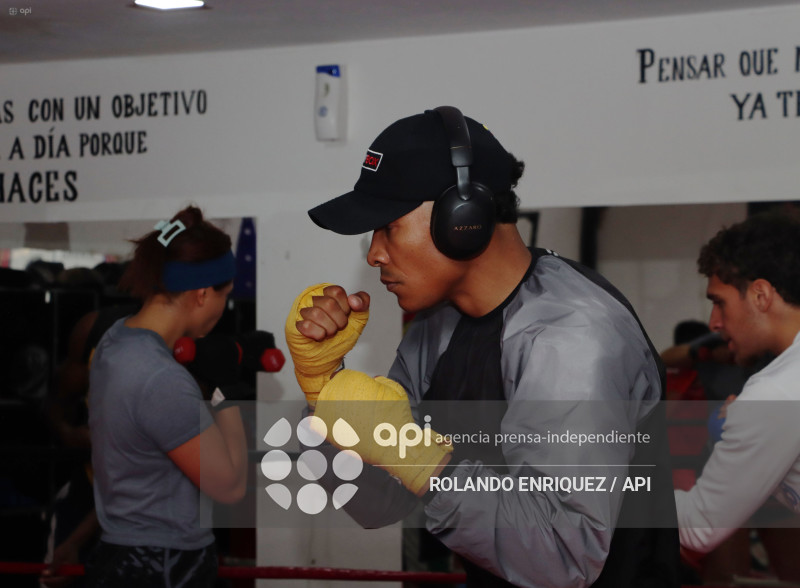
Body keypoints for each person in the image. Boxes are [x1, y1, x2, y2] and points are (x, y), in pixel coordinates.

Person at [284, 106, 679, 587]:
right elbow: (380, 500)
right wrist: (323, 393)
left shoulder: (572, 338)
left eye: (389, 226)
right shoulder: (439, 325)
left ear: (462, 217)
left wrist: (418, 456)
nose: (374, 253)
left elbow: (560, 558)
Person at [85, 206, 249, 588]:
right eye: (224, 295)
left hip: (118, 549)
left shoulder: (114, 340)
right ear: (203, 294)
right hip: (164, 563)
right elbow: (230, 487)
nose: (223, 307)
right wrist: (229, 393)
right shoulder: (159, 377)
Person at [674, 211, 800, 581]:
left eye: (720, 302)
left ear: (761, 295)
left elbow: (699, 527)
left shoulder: (775, 393)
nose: (714, 322)